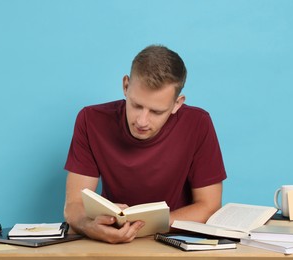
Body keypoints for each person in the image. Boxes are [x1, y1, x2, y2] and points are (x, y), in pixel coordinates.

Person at [63, 45, 227, 244]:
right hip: (109, 244)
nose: (142, 121)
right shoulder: (91, 120)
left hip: (173, 242)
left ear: (177, 104)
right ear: (125, 86)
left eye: (156, 112)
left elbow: (209, 205)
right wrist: (90, 226)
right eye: (136, 105)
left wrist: (142, 226)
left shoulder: (198, 123)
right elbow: (73, 205)